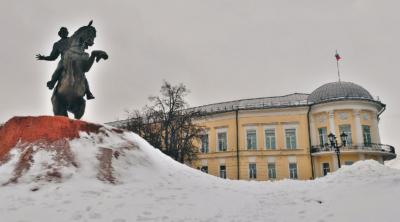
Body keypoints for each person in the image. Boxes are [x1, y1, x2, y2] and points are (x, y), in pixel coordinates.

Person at [36, 27, 95, 100]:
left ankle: (88, 92)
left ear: (67, 33)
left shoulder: (73, 39)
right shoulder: (57, 44)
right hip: (64, 59)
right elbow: (53, 57)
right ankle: (52, 82)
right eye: (63, 32)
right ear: (60, 34)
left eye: (66, 31)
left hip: (75, 59)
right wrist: (44, 57)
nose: (65, 33)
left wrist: (86, 30)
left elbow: (81, 40)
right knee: (58, 69)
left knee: (81, 74)